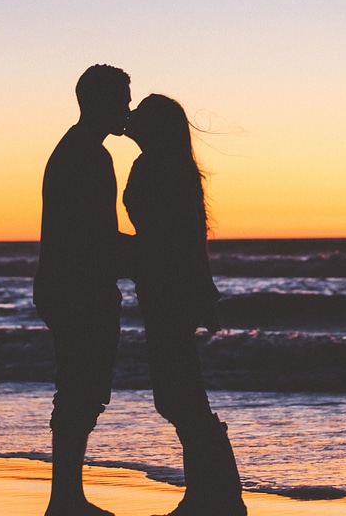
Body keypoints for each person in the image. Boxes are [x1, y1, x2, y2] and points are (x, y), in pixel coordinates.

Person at [123, 94, 247, 516]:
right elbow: (182, 238)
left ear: (154, 126)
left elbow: (171, 240)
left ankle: (218, 496)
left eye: (139, 113)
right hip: (167, 289)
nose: (130, 116)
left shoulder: (156, 166)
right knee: (180, 394)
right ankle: (214, 495)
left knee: (180, 396)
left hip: (167, 290)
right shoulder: (169, 165)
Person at [33, 64, 132, 516]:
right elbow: (98, 236)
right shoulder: (89, 155)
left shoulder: (76, 149)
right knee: (82, 391)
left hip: (62, 284)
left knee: (77, 390)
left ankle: (66, 496)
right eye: (122, 99)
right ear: (100, 102)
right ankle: (66, 499)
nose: (127, 109)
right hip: (79, 287)